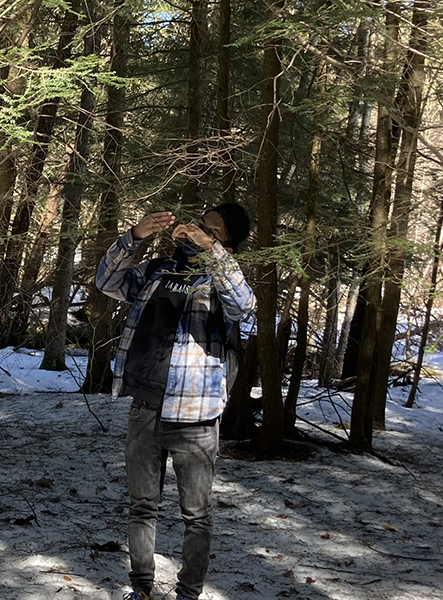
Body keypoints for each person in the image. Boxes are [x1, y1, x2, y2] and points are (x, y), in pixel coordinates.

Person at [95, 204, 256, 600]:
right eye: (200, 226)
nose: (199, 234)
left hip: (196, 417)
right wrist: (135, 237)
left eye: (212, 232)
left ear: (228, 245)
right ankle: (142, 589)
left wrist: (212, 253)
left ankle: (188, 593)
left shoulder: (222, 281)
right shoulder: (159, 271)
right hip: (145, 408)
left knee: (196, 516)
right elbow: (106, 281)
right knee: (141, 507)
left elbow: (244, 305)